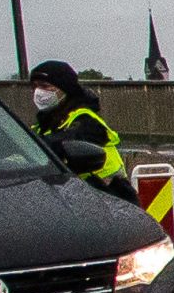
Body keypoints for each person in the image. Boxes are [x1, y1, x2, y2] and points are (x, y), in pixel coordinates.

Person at [27, 60, 135, 199]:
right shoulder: (42, 126)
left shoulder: (85, 119)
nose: (38, 92)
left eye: (45, 86)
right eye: (34, 86)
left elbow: (63, 142)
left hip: (110, 195)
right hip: (75, 196)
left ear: (64, 89)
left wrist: (32, 145)